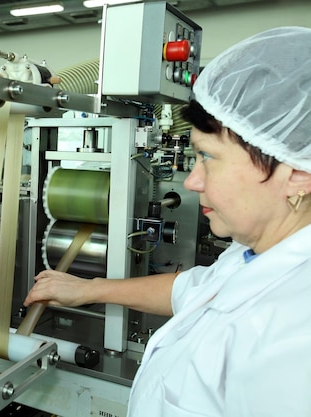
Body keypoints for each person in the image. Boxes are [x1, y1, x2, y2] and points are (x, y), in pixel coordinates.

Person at [24, 27, 311, 417]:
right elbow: (190, 289)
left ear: (296, 174)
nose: (192, 181)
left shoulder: (293, 344)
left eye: (208, 157)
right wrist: (89, 289)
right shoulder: (255, 251)